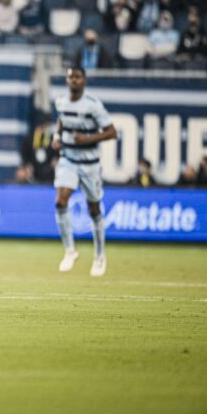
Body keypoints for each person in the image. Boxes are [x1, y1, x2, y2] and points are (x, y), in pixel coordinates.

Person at [52, 67, 117, 277]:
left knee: (94, 210)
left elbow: (111, 132)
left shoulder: (93, 105)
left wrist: (87, 139)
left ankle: (99, 256)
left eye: (77, 77)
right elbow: (62, 121)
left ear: (84, 81)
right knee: (60, 201)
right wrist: (56, 136)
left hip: (90, 164)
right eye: (70, 77)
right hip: (68, 160)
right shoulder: (61, 101)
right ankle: (70, 251)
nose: (73, 81)